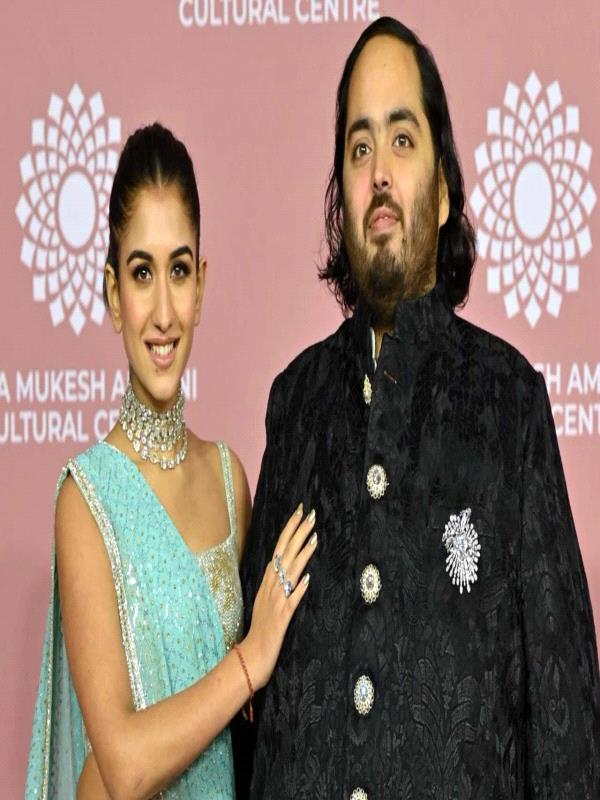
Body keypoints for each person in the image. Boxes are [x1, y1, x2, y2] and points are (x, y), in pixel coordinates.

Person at [240, 17, 600, 799]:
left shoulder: (509, 403)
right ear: (340, 195)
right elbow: (250, 730)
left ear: (441, 189)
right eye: (359, 146)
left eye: (401, 141)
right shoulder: (294, 406)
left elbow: (566, 727)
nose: (378, 173)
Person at [25, 123, 317, 800]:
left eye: (179, 271)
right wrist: (249, 660)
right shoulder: (86, 499)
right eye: (141, 273)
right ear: (112, 294)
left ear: (202, 286)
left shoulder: (229, 481)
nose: (162, 312)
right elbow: (124, 765)